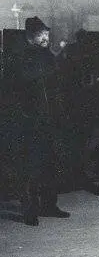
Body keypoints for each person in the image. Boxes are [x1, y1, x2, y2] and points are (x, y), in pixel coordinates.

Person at [1, 16, 70, 225]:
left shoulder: (44, 54)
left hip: (46, 118)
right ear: (32, 34)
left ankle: (49, 205)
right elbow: (19, 82)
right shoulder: (18, 54)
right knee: (29, 166)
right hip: (27, 120)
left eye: (47, 34)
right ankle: (29, 210)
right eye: (43, 34)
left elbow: (55, 79)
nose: (46, 38)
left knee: (49, 162)